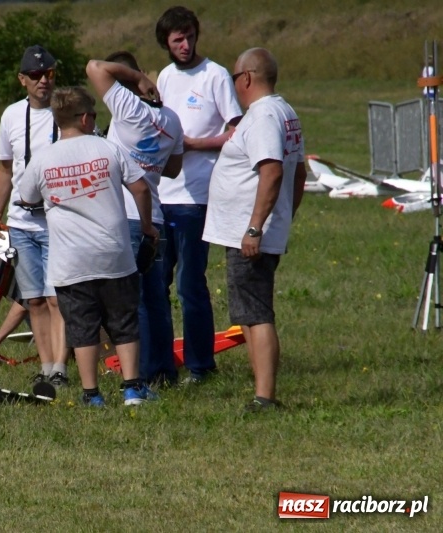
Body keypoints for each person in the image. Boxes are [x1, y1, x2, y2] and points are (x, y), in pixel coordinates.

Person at [17, 86, 159, 407]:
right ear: (84, 118)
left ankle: (91, 394)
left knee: (82, 326)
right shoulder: (107, 148)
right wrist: (147, 226)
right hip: (114, 255)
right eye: (94, 115)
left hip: (70, 261)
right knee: (123, 322)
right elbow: (140, 188)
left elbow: (27, 197)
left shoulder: (43, 158)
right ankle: (132, 388)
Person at [202, 47, 307, 412]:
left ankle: (265, 396)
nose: (234, 85)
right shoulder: (284, 111)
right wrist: (282, 218)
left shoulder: (263, 116)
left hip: (250, 232)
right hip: (259, 228)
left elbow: (273, 170)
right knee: (247, 311)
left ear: (246, 78)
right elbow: (300, 173)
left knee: (256, 311)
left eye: (234, 78)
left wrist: (255, 228)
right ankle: (262, 389)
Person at [154, 6, 243, 384]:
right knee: (156, 283)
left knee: (192, 283)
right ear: (167, 43)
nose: (185, 44)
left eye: (190, 36)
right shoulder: (164, 77)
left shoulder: (216, 75)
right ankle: (158, 366)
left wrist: (193, 145)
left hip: (197, 198)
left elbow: (237, 130)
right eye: (178, 39)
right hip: (161, 196)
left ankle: (200, 365)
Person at [85, 52, 184, 387]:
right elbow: (173, 169)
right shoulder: (172, 119)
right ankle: (164, 370)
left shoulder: (128, 108)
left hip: (126, 218)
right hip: (155, 216)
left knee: (134, 300)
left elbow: (94, 66)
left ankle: (138, 374)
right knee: (157, 299)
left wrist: (137, 80)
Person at [0, 45, 69, 386]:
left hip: (58, 219)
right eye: (35, 76)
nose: (43, 81)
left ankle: (61, 370)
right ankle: (46, 369)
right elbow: (6, 169)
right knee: (34, 298)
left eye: (48, 74)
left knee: (56, 298)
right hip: (21, 221)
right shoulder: (10, 116)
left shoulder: (66, 113)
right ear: (23, 80)